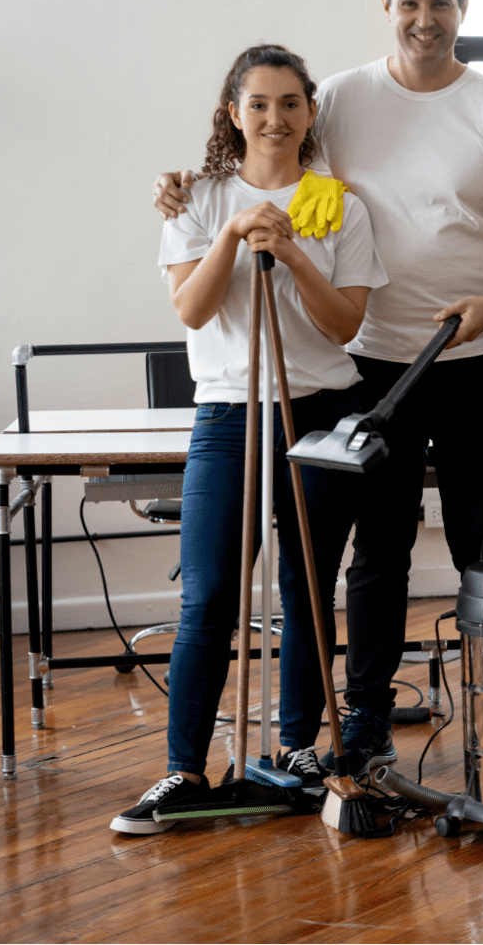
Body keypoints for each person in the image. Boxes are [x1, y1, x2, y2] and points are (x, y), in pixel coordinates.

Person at [154, 0, 483, 776]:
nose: (425, 18)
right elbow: (270, 169)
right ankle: (362, 717)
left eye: (441, 3)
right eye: (409, 2)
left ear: (463, 10)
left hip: (469, 358)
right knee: (378, 552)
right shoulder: (335, 97)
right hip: (372, 370)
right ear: (387, 6)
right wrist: (187, 193)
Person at [114, 44, 388, 833]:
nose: (275, 117)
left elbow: (345, 324)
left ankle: (297, 746)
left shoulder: (340, 205)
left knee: (308, 586)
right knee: (207, 596)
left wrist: (292, 249)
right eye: (258, 103)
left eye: (291, 103)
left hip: (321, 409)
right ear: (234, 111)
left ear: (310, 112)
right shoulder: (196, 199)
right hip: (230, 411)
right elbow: (193, 312)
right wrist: (234, 233)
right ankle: (181, 771)